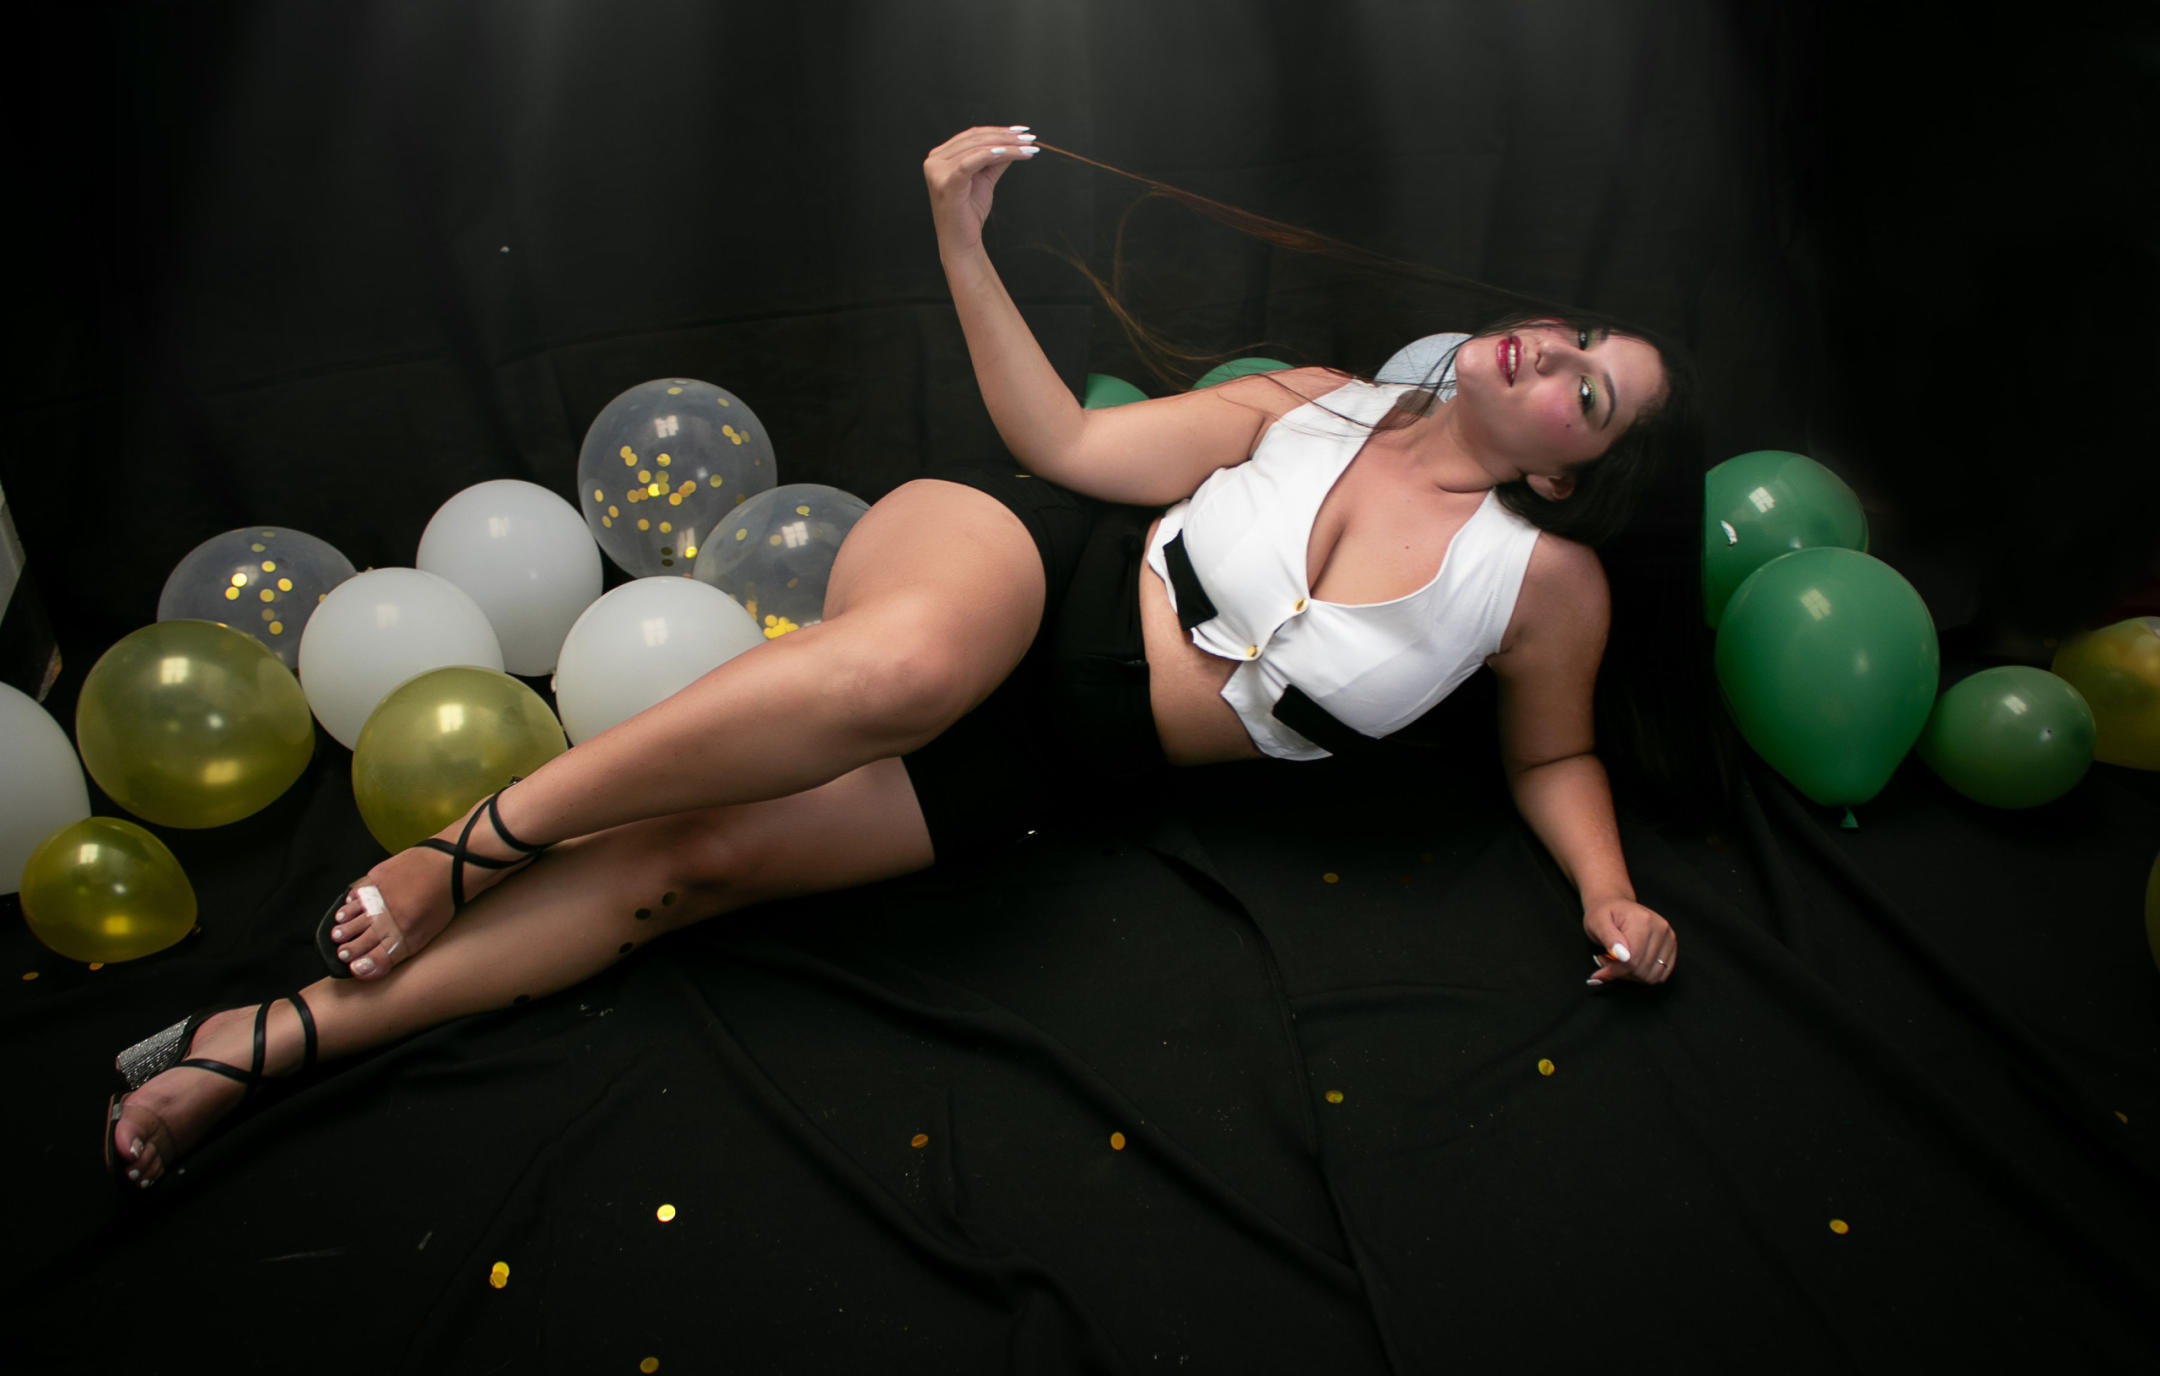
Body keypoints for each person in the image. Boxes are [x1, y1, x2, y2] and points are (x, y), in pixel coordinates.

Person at [103, 125, 1694, 1191]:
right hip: (1017, 568)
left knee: (695, 869)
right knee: (905, 674)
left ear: (1575, 474)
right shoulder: (1321, 400)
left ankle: (269, 1045)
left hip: (1073, 758)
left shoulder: (1540, 588)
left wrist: (1607, 893)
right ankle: (473, 843)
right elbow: (1066, 444)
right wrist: (960, 239)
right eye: (1573, 331)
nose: (1554, 352)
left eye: (1591, 390)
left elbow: (1554, 752)